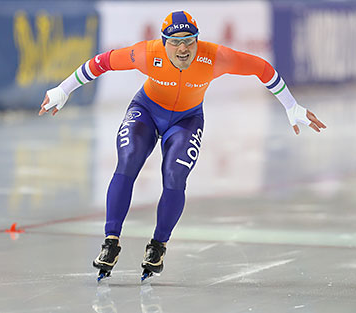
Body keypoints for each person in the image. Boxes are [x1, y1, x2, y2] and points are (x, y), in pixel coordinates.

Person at [39, 11, 326, 281]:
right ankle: (110, 241)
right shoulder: (146, 53)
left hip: (187, 120)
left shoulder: (215, 57)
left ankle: (158, 245)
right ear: (164, 43)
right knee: (128, 160)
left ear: (197, 41)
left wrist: (292, 106)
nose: (183, 49)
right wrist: (62, 90)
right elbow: (99, 63)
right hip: (146, 111)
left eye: (189, 41)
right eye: (175, 42)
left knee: (175, 177)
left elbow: (262, 69)